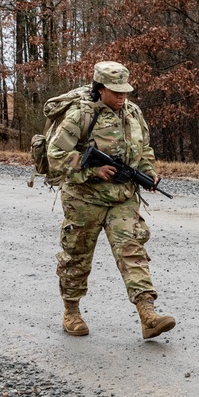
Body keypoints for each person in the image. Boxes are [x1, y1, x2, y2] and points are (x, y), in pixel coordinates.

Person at [46, 61, 176, 340]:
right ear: (100, 88)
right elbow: (55, 154)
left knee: (132, 250)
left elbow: (146, 148)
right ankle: (72, 311)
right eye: (115, 91)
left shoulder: (133, 113)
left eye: (125, 91)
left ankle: (148, 314)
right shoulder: (81, 115)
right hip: (84, 198)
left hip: (122, 197)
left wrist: (149, 173)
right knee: (77, 256)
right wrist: (93, 170)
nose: (121, 97)